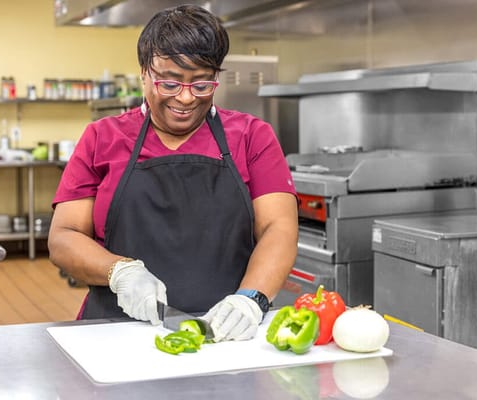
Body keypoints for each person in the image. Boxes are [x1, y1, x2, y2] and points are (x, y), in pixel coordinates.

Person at [48, 4, 299, 342]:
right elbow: (63, 237)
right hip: (115, 332)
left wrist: (251, 299)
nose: (185, 98)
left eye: (201, 85)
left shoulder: (252, 136)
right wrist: (120, 272)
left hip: (225, 333)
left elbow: (279, 228)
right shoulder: (102, 137)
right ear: (143, 73)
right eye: (169, 83)